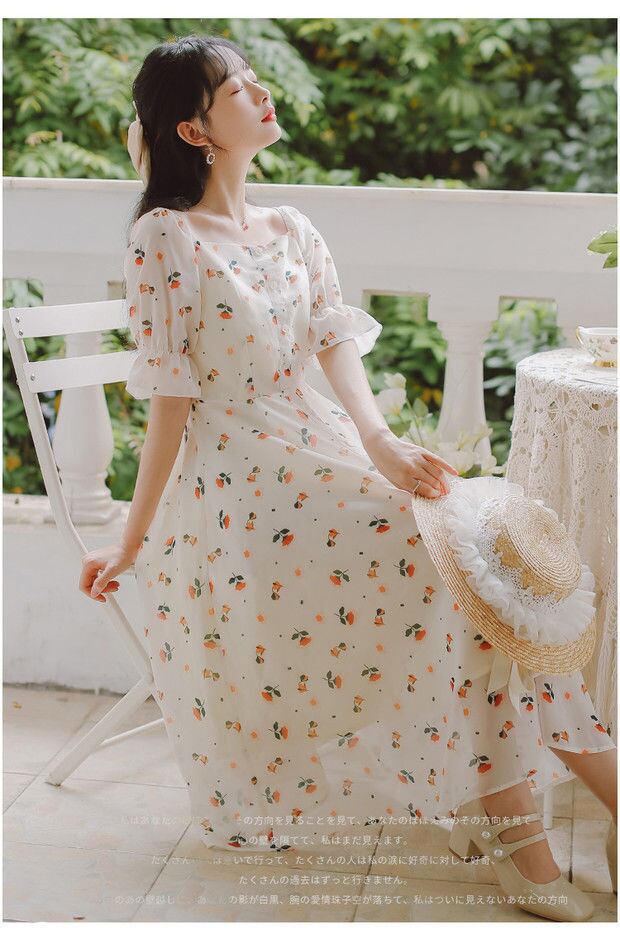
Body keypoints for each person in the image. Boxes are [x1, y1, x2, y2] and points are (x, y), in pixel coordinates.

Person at [79, 34, 617, 919]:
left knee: (489, 559)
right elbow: (171, 403)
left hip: (323, 449)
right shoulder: (163, 238)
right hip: (242, 490)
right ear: (194, 129)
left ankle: (557, 806)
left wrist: (381, 443)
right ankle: (520, 826)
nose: (262, 93)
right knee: (460, 574)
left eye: (257, 80)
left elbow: (333, 345)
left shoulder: (293, 227)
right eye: (237, 88)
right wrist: (131, 541)